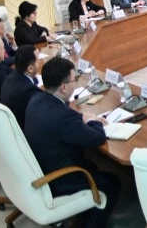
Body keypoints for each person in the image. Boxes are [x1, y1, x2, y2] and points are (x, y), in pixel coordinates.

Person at [25, 57, 120, 228]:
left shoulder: (36, 100)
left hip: (42, 168)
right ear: (63, 87)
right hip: (61, 180)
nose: (75, 83)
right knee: (112, 183)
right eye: (74, 80)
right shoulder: (62, 117)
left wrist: (81, 117)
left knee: (94, 165)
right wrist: (93, 121)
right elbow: (97, 138)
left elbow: (63, 115)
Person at [0, 45, 41, 129]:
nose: (40, 62)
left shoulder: (11, 77)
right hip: (25, 130)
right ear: (30, 68)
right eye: (37, 60)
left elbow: (34, 80)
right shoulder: (28, 91)